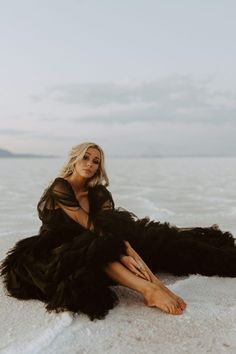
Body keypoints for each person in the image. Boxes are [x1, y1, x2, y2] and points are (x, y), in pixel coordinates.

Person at [1, 142, 236, 321]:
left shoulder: (99, 193)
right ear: (74, 159)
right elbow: (91, 227)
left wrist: (126, 246)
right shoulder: (60, 186)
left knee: (166, 244)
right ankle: (150, 290)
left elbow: (108, 227)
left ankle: (154, 284)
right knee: (94, 247)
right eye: (85, 158)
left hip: (95, 240)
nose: (90, 164)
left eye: (95, 161)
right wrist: (123, 251)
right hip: (55, 248)